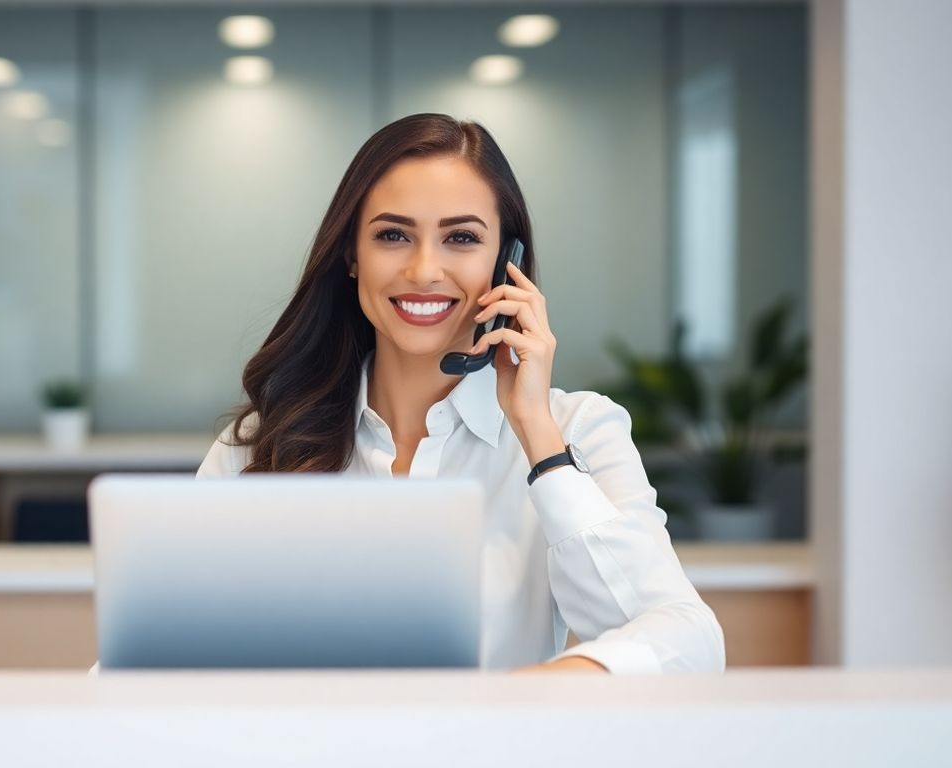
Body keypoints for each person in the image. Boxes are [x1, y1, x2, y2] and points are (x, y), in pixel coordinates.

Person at [197, 113, 725, 674]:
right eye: (392, 235)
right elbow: (159, 651)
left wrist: (537, 435)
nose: (424, 270)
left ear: (506, 265)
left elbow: (688, 649)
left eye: (462, 238)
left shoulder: (576, 430)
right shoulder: (260, 445)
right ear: (352, 255)